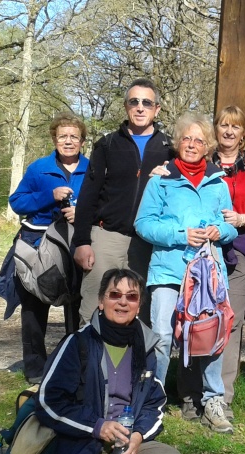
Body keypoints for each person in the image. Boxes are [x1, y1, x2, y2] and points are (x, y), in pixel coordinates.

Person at [134, 112, 238, 434]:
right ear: (178, 143)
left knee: (210, 335)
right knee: (163, 335)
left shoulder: (218, 182)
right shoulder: (160, 180)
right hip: (168, 270)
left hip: (208, 273)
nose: (192, 145)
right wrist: (182, 234)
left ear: (207, 146)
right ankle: (154, 400)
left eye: (199, 140)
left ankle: (212, 401)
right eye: (186, 139)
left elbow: (230, 225)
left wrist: (219, 231)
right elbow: (143, 224)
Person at [173, 106, 245, 422]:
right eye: (223, 125)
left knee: (228, 323)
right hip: (200, 252)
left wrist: (242, 218)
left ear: (244, 134)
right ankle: (189, 394)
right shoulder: (201, 162)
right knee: (193, 317)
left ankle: (220, 398)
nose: (229, 131)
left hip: (239, 249)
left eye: (235, 127)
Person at [35, 268, 182, 454]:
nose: (123, 302)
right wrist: (97, 427)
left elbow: (154, 402)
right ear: (101, 302)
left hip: (123, 444)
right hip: (79, 444)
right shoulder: (78, 344)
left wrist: (139, 435)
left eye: (131, 297)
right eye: (115, 294)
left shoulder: (145, 348)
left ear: (138, 306)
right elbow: (48, 401)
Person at [73, 78, 174, 326]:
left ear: (157, 109)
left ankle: (137, 364)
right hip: (107, 237)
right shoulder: (107, 144)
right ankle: (91, 363)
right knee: (94, 307)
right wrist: (82, 242)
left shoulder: (170, 148)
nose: (140, 107)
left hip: (147, 242)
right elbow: (88, 195)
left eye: (147, 102)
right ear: (126, 106)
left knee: (143, 310)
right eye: (134, 101)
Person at [7, 112, 89, 384]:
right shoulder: (38, 168)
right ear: (54, 139)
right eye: (62, 136)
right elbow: (17, 202)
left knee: (77, 305)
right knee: (33, 306)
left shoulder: (92, 169)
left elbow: (102, 203)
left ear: (82, 141)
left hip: (75, 244)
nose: (68, 141)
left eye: (73, 136)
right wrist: (48, 196)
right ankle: (36, 368)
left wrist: (83, 212)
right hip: (37, 243)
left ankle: (73, 363)